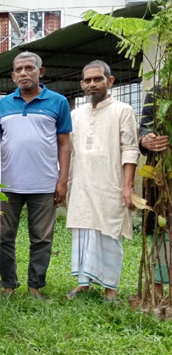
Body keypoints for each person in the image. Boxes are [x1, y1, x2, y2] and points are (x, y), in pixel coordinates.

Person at [0, 51, 72, 298]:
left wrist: (62, 180)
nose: (24, 73)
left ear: (41, 71)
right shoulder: (2, 105)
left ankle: (35, 286)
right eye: (19, 69)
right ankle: (8, 284)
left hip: (44, 183)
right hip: (7, 184)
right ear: (13, 75)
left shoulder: (58, 102)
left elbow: (65, 144)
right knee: (5, 236)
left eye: (29, 68)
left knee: (42, 238)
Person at [65, 60, 139, 302]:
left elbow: (130, 149)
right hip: (82, 182)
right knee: (83, 229)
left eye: (97, 79)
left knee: (109, 230)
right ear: (82, 84)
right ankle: (83, 283)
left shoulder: (123, 110)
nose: (92, 84)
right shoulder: (75, 114)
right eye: (87, 80)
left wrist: (128, 186)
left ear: (110, 81)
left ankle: (111, 289)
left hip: (110, 182)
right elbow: (69, 150)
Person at [138, 88, 170, 298]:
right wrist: (145, 140)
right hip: (162, 176)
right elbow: (144, 127)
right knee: (160, 229)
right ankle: (158, 294)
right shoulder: (158, 92)